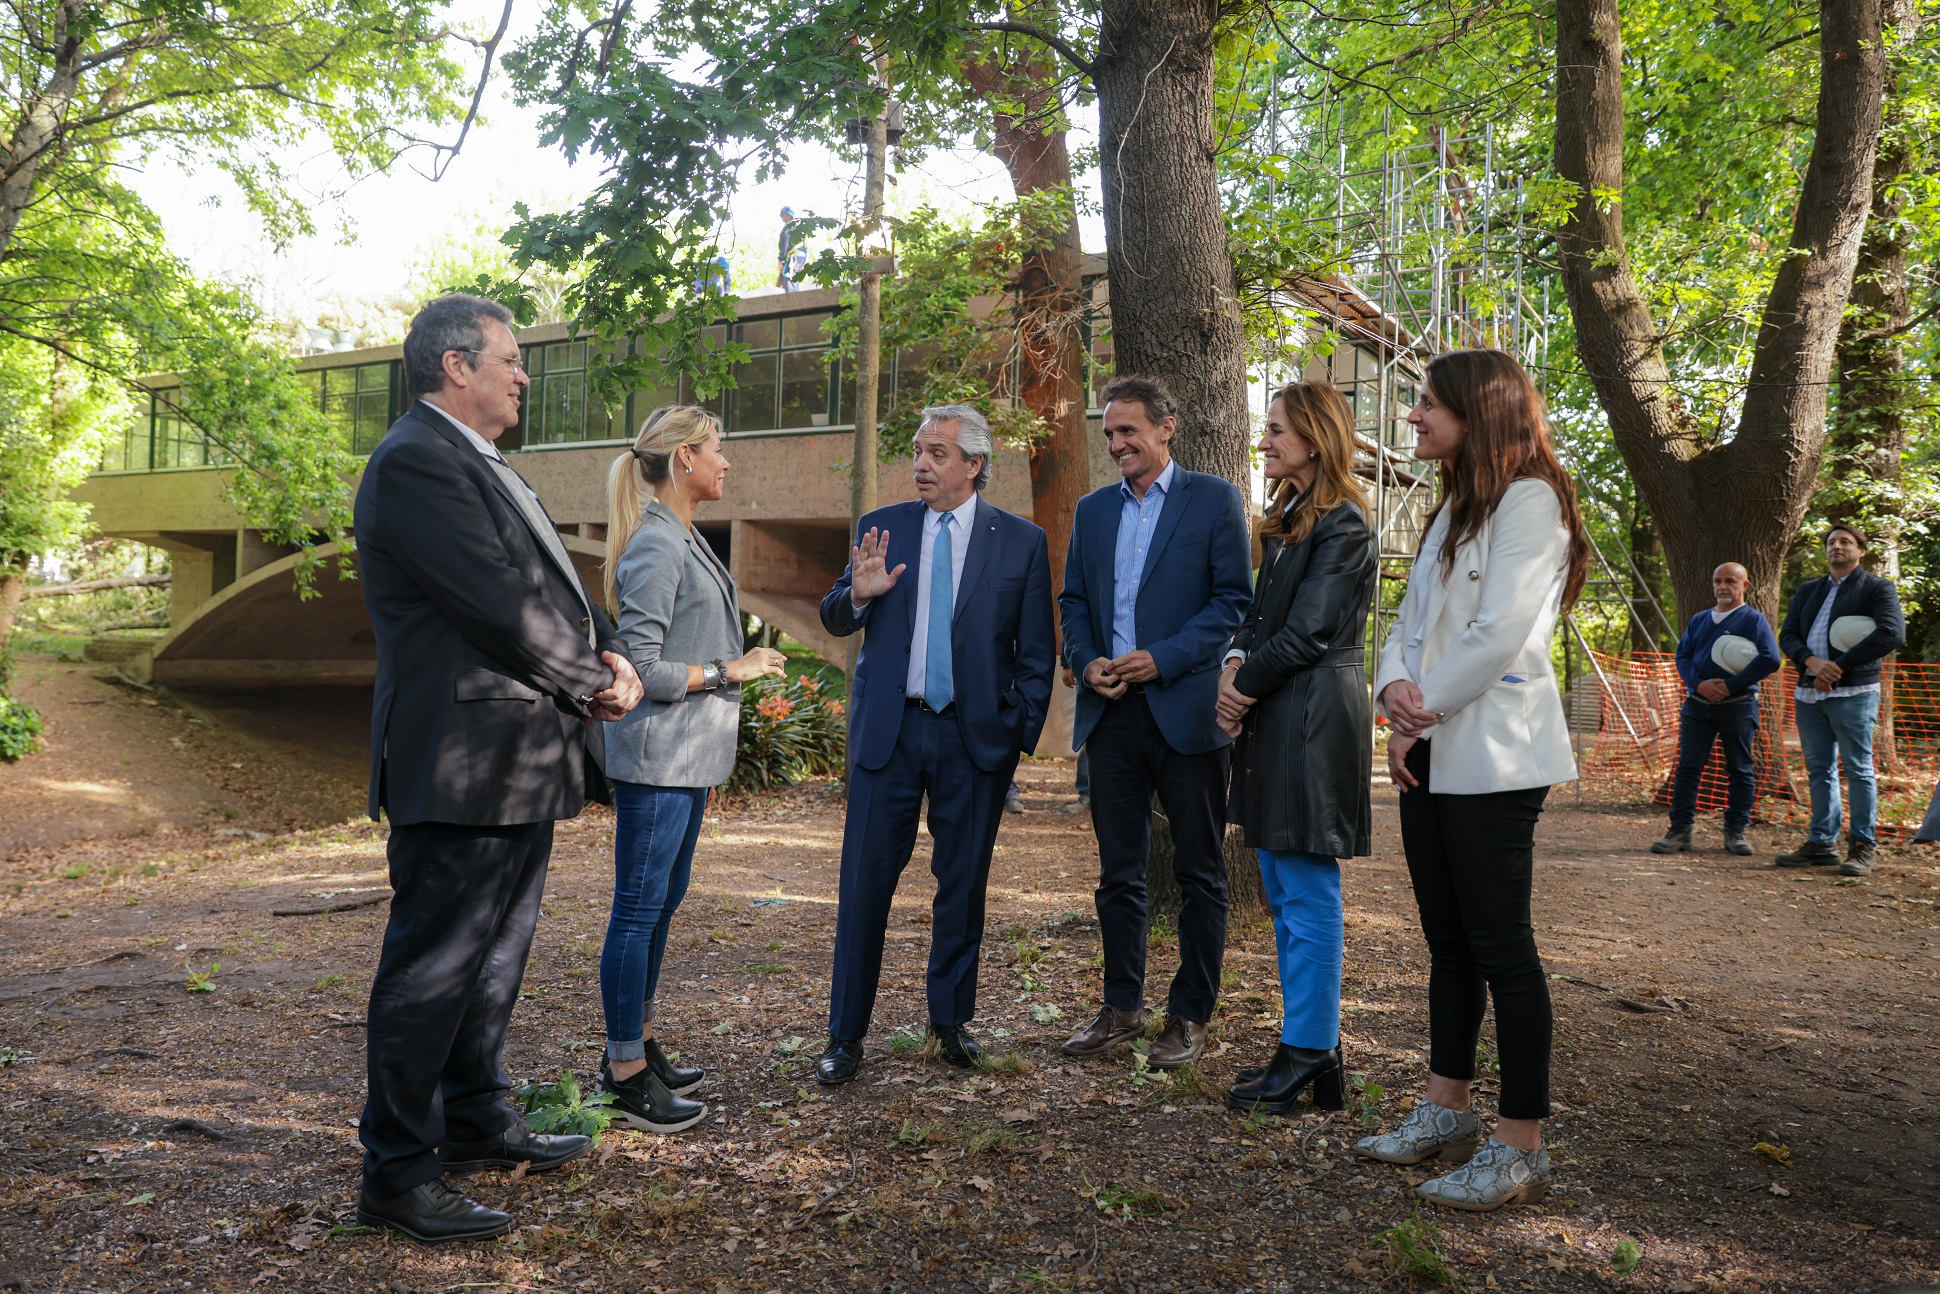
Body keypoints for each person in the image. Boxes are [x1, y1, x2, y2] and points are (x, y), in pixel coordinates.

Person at [352, 294, 645, 1244]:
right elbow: (492, 604)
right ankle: (397, 1171)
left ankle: (476, 1122)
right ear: (454, 367)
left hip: (517, 757)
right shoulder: (414, 464)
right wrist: (591, 682)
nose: (523, 375)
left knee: (494, 960)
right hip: (460, 756)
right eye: (509, 360)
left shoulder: (483, 463)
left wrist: (609, 648)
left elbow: (547, 581)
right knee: (434, 968)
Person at [1359, 349, 1591, 1212]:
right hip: (1429, 750)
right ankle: (1444, 1109)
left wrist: (1416, 713)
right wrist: (1392, 695)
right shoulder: (1450, 504)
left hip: (1495, 758)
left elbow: (1497, 635)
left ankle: (1518, 1144)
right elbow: (1409, 623)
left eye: (1426, 404)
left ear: (1478, 410)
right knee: (1448, 945)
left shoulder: (1532, 500)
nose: (1412, 417)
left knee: (1502, 951)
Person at [814, 405, 1055, 1084]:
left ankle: (950, 1024)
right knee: (864, 888)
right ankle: (845, 1036)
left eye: (938, 454)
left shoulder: (1021, 541)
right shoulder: (881, 528)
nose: (921, 464)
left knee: (962, 887)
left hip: (974, 741)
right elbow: (837, 611)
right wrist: (856, 598)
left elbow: (1036, 653)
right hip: (888, 737)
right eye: (919, 451)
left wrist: (1015, 739)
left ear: (975, 464)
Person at [596, 406, 787, 1132]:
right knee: (638, 912)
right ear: (683, 458)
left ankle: (639, 1046)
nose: (726, 462)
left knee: (660, 906)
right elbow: (639, 665)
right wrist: (727, 669)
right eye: (717, 449)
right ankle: (623, 1074)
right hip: (656, 758)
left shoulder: (678, 534)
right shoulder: (656, 543)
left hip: (684, 760)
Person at [1057, 375, 1252, 1070]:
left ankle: (1191, 1014)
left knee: (1200, 871)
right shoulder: (1092, 510)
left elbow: (1233, 602)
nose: (1116, 445)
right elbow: (1073, 600)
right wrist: (1088, 661)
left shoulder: (1214, 501)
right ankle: (1121, 1006)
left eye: (1127, 432)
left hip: (1186, 714)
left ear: (1167, 428)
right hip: (1110, 716)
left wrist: (1160, 660)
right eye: (1109, 434)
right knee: (1118, 873)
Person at [1217, 381, 1378, 1114]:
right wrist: (1232, 665)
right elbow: (1260, 616)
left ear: (1315, 438)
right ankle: (1315, 1046)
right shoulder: (1287, 520)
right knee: (1283, 889)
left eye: (1277, 429)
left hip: (1312, 720)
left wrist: (1240, 687)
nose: (1266, 440)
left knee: (1306, 889)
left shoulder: (1343, 524)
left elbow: (1312, 631)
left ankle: (1309, 1049)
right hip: (1279, 713)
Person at [1776, 524, 1905, 876]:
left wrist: (1838, 666)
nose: (1836, 547)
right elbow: (1787, 634)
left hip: (1855, 692)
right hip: (1808, 692)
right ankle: (1821, 843)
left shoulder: (1877, 587)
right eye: (1831, 542)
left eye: (1845, 541)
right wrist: (1810, 661)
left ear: (1861, 550)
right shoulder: (1808, 591)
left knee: (1859, 770)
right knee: (1819, 770)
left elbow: (1892, 633)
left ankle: (1863, 846)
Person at [1649, 563, 1780, 857]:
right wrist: (1699, 684)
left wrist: (1732, 685)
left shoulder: (1753, 620)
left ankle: (1736, 832)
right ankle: (1679, 832)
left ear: (1745, 586)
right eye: (1717, 580)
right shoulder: (1699, 620)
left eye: (1730, 581)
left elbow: (1771, 659)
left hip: (1739, 706)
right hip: (1697, 706)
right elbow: (1683, 655)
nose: (1723, 586)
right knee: (1688, 767)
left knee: (1740, 768)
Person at [777, 207, 806, 291]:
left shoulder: (787, 228)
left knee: (790, 280)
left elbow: (784, 244)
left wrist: (781, 260)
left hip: (793, 259)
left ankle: (793, 301)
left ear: (787, 215)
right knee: (794, 279)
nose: (782, 218)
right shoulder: (798, 228)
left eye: (782, 215)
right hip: (800, 258)